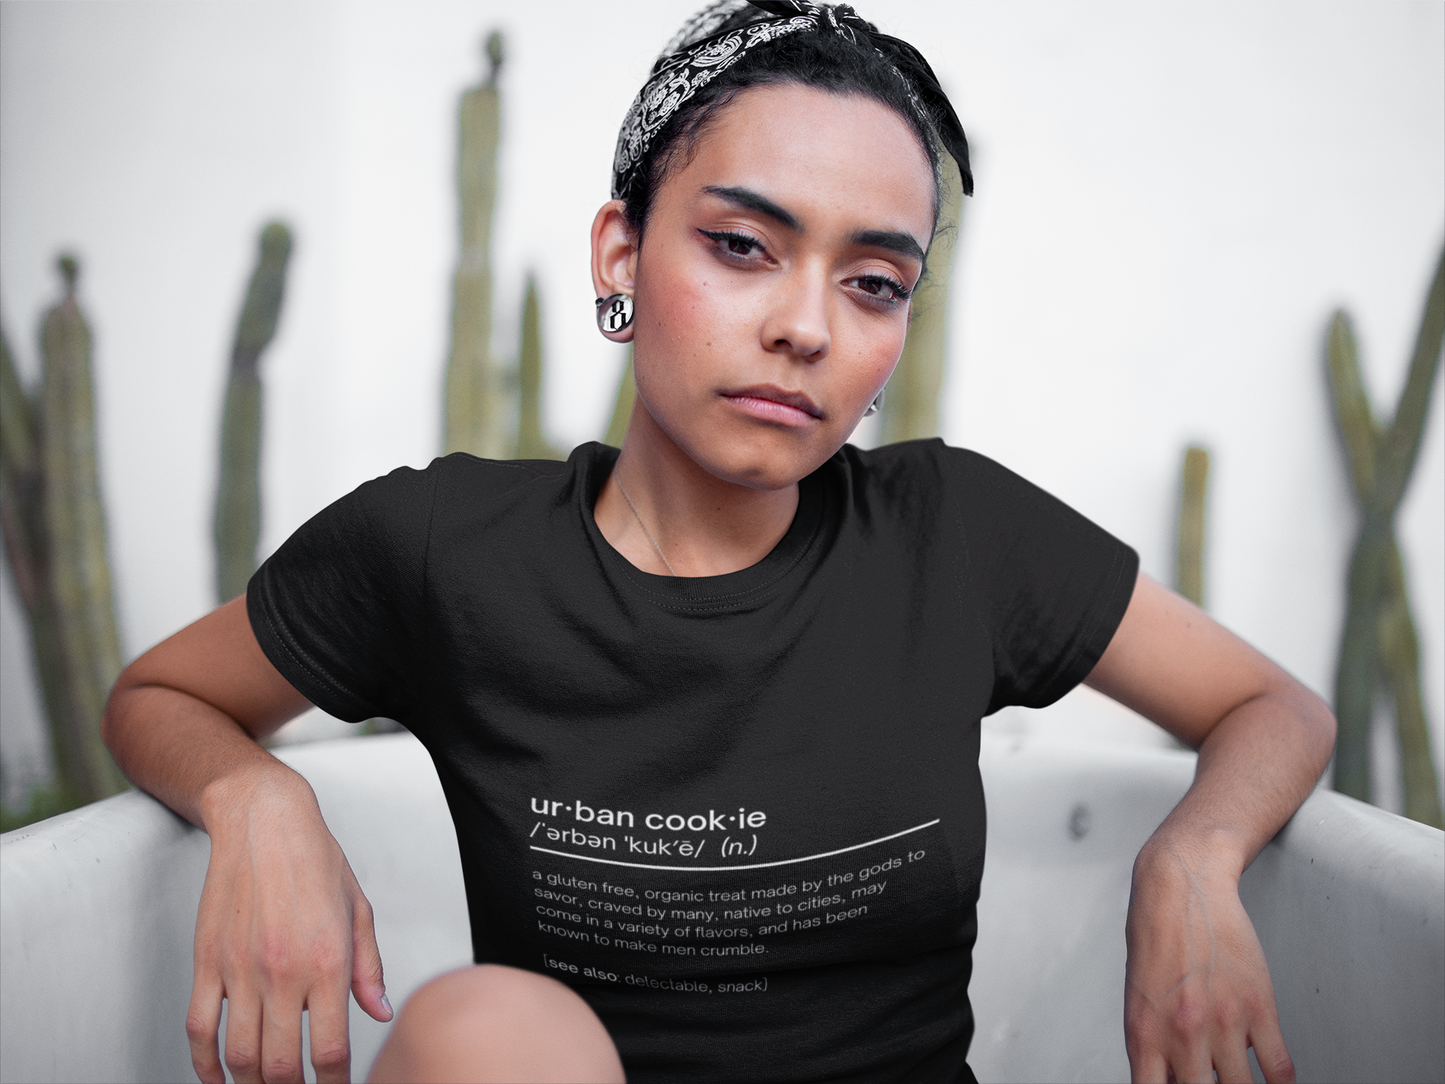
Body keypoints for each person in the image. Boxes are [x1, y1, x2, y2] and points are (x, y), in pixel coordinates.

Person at [102, 2, 1336, 1082]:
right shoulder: (442, 549)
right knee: (486, 1025)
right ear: (622, 251)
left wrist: (1193, 853)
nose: (805, 325)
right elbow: (156, 693)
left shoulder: (955, 536)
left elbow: (1272, 706)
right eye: (742, 246)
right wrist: (251, 791)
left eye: (872, 284)